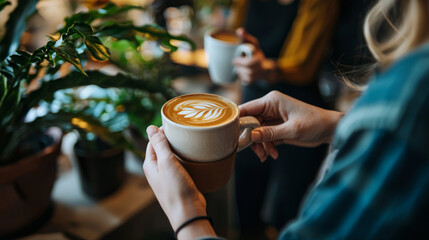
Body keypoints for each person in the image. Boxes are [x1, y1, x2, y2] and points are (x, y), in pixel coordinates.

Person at [143, 0, 429, 239]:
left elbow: (304, 65)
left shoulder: (412, 93)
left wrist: (186, 213)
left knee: (288, 201)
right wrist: (335, 125)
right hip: (264, 105)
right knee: (247, 190)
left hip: (298, 97)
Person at [229, 0, 340, 234]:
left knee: (289, 209)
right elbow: (233, 37)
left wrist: (267, 69)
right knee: (245, 199)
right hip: (252, 103)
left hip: (302, 109)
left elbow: (303, 66)